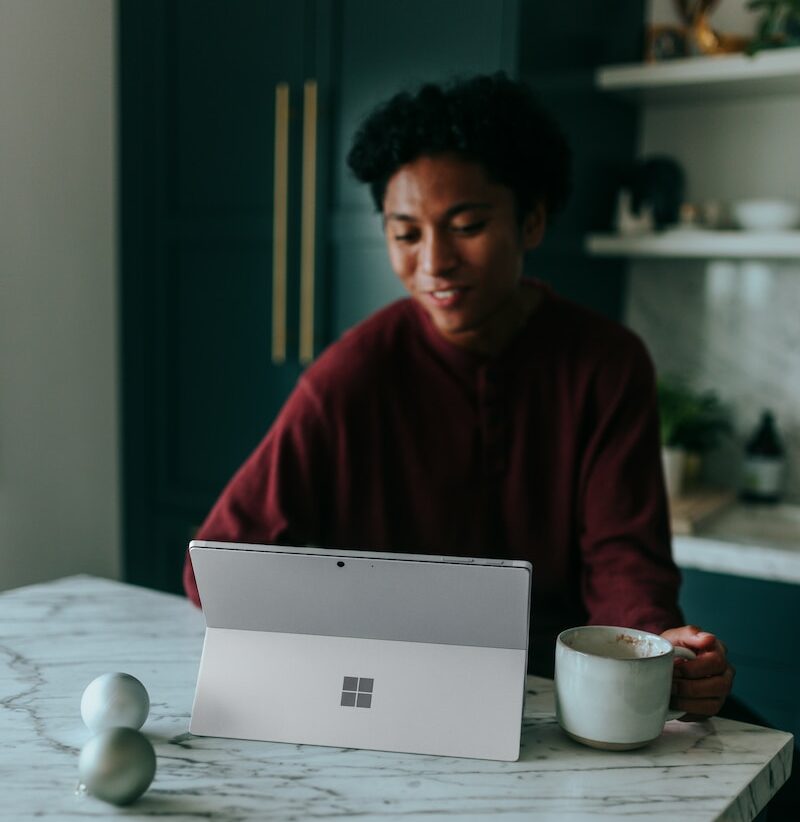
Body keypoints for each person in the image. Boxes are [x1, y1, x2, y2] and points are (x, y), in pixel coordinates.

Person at [183, 73, 733, 720]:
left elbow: (624, 559)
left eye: (467, 225)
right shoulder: (352, 374)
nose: (434, 263)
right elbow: (218, 565)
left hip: (562, 692)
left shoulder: (605, 364)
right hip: (398, 694)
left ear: (531, 220)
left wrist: (654, 641)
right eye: (406, 234)